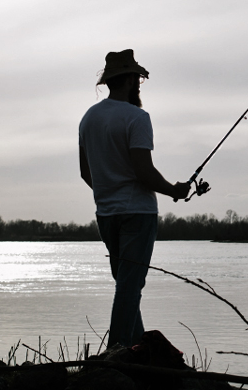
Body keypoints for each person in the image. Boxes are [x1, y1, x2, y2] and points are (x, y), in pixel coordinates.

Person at [79, 49, 190, 348]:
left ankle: (136, 348)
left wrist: (109, 193)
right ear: (129, 80)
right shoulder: (137, 117)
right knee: (129, 289)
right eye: (138, 79)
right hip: (137, 215)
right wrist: (175, 191)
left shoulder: (88, 118)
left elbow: (85, 173)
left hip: (106, 215)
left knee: (126, 287)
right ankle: (116, 355)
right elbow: (144, 171)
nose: (140, 84)